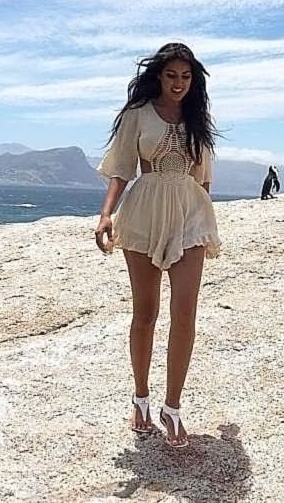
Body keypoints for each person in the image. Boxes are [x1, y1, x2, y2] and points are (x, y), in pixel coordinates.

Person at [94, 42, 221, 448]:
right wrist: (106, 214)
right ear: (159, 76)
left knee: (185, 313)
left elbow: (203, 178)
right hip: (144, 213)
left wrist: (201, 218)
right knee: (146, 313)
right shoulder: (138, 114)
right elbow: (120, 170)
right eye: (171, 75)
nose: (179, 83)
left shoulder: (198, 117)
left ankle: (173, 408)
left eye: (185, 76)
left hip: (189, 215)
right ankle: (141, 398)